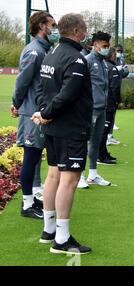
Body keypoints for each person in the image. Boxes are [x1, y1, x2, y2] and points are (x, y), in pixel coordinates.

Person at [33, 13, 92, 254]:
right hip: (70, 128)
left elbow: (41, 88)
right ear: (77, 30)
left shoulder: (51, 53)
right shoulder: (76, 59)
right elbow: (67, 95)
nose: (86, 32)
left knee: (53, 176)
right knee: (69, 180)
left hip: (54, 127)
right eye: (85, 28)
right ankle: (62, 239)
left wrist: (43, 112)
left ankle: (49, 231)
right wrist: (46, 113)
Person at [11, 11, 59, 219]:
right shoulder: (34, 51)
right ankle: (27, 204)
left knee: (37, 156)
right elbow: (22, 81)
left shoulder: (45, 49)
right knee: (30, 157)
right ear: (42, 26)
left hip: (41, 111)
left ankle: (32, 197)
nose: (56, 29)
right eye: (53, 25)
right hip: (32, 112)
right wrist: (16, 103)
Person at [77, 31, 112, 188]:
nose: (106, 48)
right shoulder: (86, 60)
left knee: (96, 142)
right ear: (95, 44)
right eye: (104, 45)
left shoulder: (104, 63)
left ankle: (93, 173)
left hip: (102, 108)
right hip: (89, 110)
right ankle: (80, 176)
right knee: (84, 143)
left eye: (108, 46)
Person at [98, 47, 128, 165]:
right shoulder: (112, 68)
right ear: (111, 56)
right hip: (109, 103)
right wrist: (117, 101)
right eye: (115, 55)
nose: (116, 57)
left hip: (103, 102)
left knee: (103, 130)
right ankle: (101, 156)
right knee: (104, 130)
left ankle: (103, 153)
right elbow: (114, 87)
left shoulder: (104, 65)